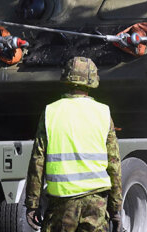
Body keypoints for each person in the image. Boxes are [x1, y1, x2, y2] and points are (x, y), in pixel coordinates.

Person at [24, 57, 122, 232]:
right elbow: (114, 164)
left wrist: (32, 203)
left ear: (66, 79)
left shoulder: (50, 112)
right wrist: (115, 208)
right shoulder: (103, 113)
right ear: (92, 80)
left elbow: (37, 161)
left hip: (61, 204)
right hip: (96, 204)